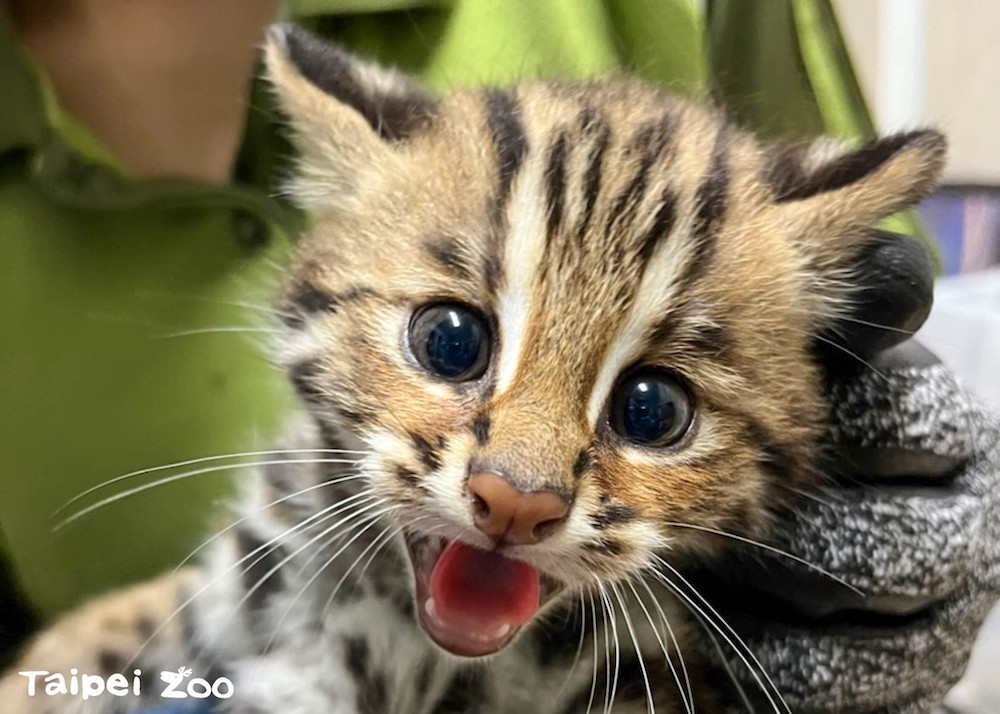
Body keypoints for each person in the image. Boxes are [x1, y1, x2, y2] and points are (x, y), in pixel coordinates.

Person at [0, 1, 996, 711]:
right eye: (451, 342)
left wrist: (910, 522)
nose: (519, 485)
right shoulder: (298, 513)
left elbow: (881, 363)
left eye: (652, 408)